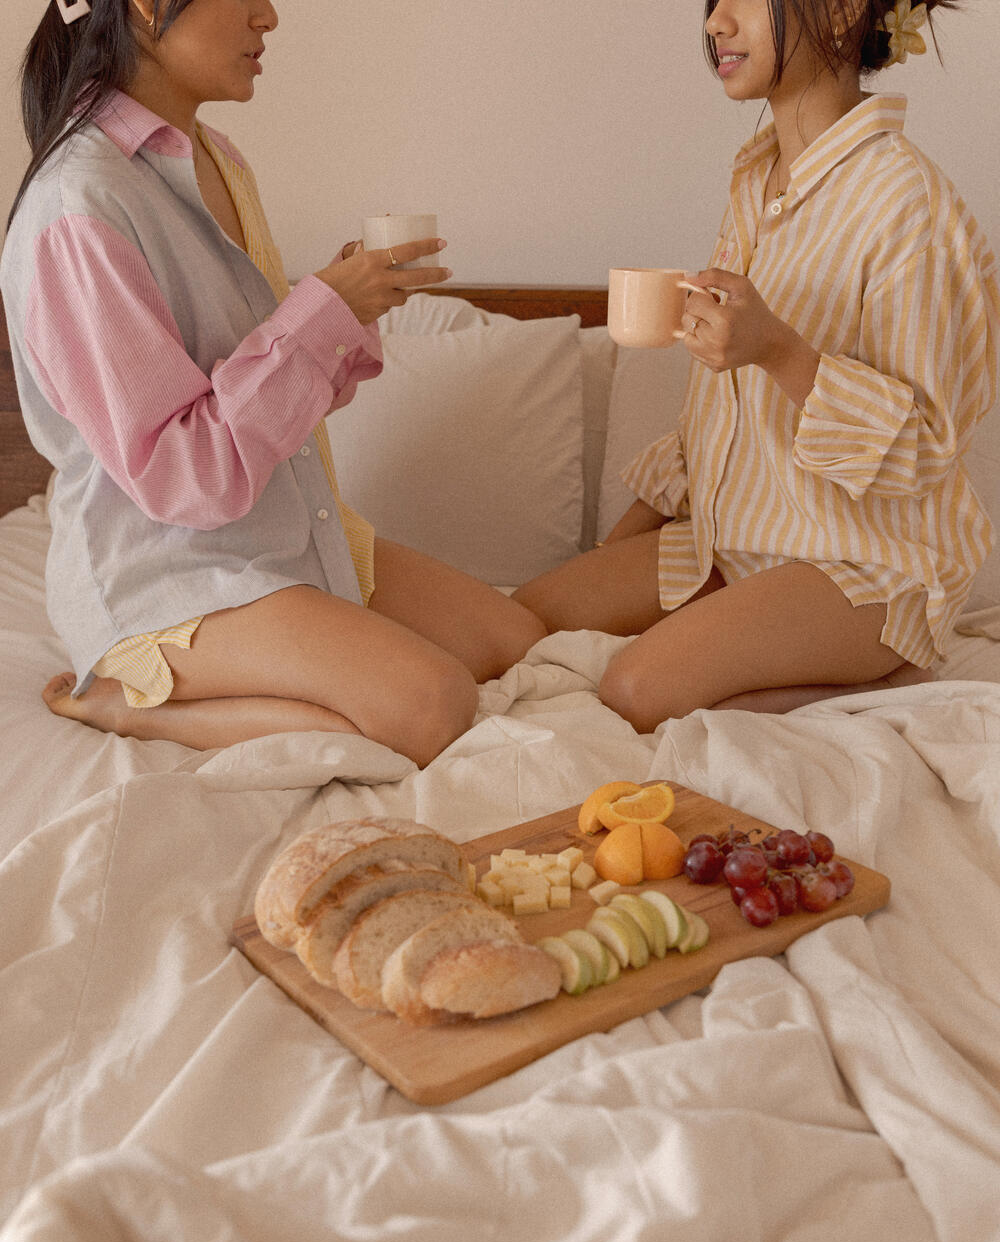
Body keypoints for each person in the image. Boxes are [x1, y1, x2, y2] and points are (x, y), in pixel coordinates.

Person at [1, 0, 545, 768]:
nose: (270, 17)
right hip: (167, 572)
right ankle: (128, 707)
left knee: (515, 643)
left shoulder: (216, 159)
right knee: (435, 705)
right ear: (150, 10)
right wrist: (322, 318)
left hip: (282, 529)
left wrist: (342, 308)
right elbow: (188, 478)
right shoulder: (80, 206)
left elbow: (257, 397)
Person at [514, 0, 999, 729]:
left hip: (864, 564)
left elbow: (927, 447)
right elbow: (720, 419)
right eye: (713, 3)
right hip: (733, 541)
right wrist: (614, 552)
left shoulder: (909, 206)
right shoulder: (758, 178)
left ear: (839, 14)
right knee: (525, 623)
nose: (715, 23)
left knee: (635, 691)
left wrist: (780, 352)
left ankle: (895, 678)